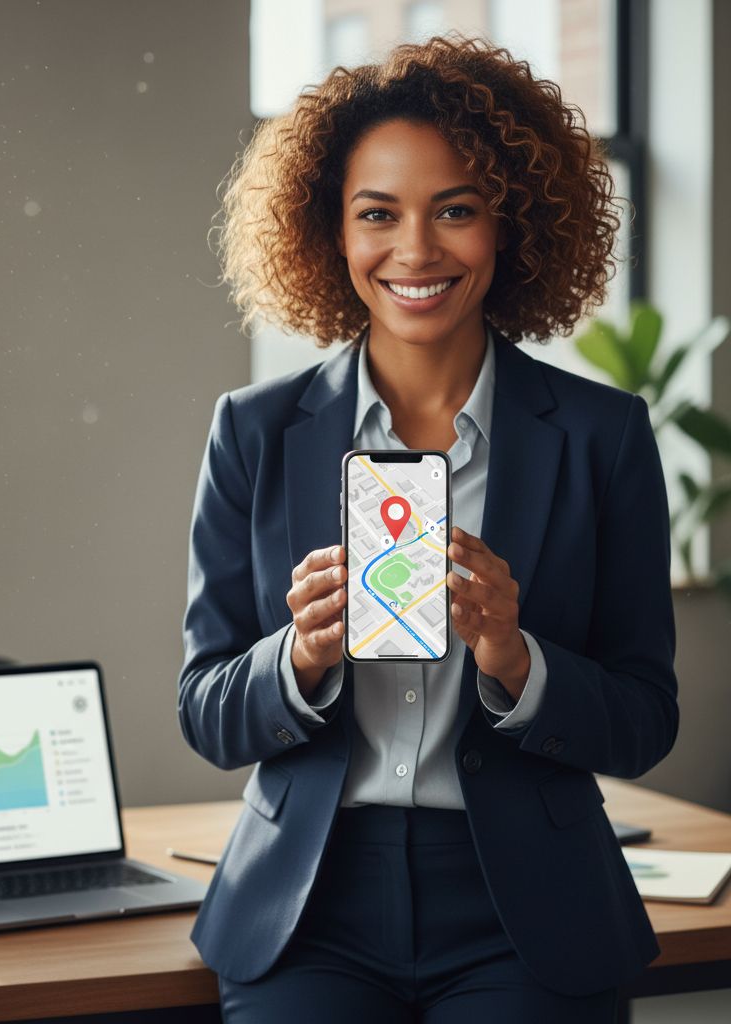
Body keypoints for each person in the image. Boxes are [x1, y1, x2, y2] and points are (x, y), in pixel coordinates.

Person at [177, 33, 678, 1024]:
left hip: (524, 907)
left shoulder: (601, 437)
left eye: (455, 209)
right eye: (377, 215)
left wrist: (514, 653)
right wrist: (298, 657)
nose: (414, 250)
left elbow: (643, 718)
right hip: (309, 903)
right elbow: (206, 708)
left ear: (512, 226)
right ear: (330, 233)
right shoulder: (255, 432)